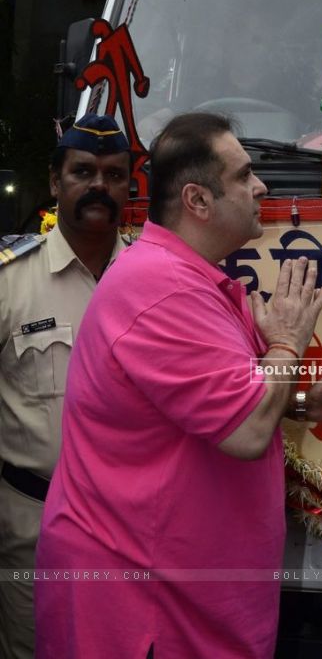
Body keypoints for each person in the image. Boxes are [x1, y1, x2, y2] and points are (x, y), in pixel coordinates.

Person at [35, 112, 322, 659]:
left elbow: (205, 402)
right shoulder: (164, 291)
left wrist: (302, 400)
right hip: (144, 609)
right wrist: (288, 341)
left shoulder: (190, 279)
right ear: (198, 200)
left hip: (184, 595)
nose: (261, 186)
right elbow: (243, 430)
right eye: (243, 176)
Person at [0, 114, 131, 659]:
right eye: (83, 171)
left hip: (135, 537)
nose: (99, 185)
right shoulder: (10, 280)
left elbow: (221, 384)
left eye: (114, 174)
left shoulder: (159, 279)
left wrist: (300, 387)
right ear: (55, 182)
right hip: (34, 535)